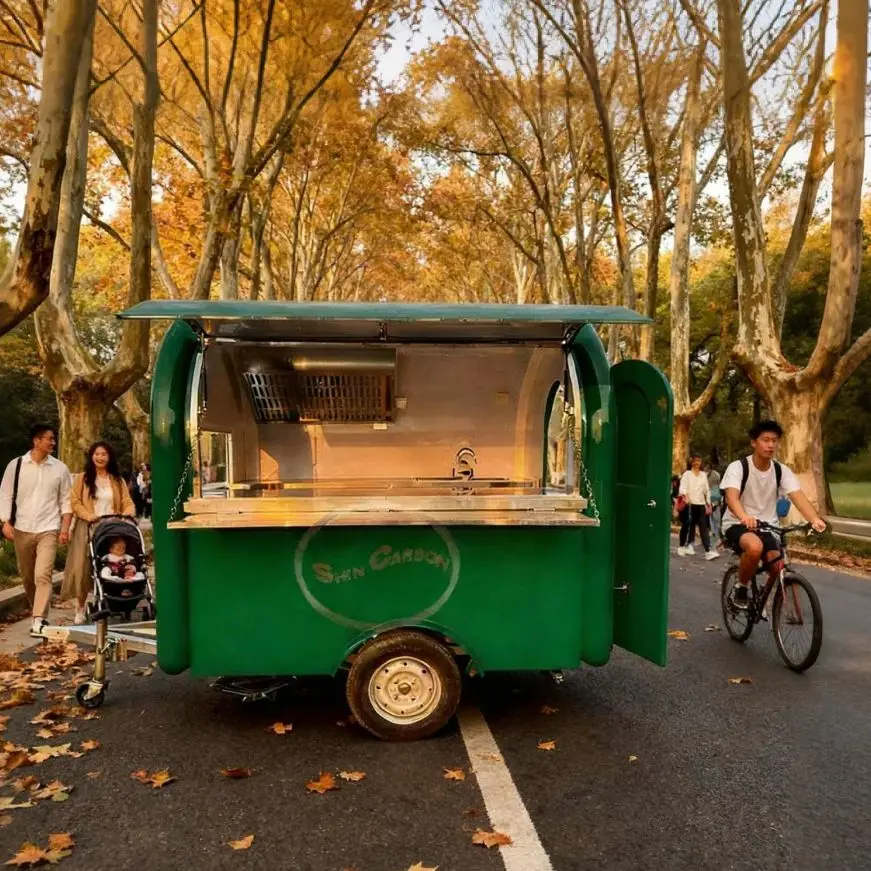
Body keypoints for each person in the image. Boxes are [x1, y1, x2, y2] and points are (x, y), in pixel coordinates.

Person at [721, 420, 826, 608]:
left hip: (768, 525)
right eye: (766, 440)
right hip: (737, 523)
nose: (771, 445)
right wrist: (745, 516)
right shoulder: (738, 468)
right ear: (754, 442)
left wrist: (814, 519)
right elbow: (732, 498)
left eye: (775, 441)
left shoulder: (780, 470)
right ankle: (741, 587)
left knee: (778, 566)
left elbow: (798, 497)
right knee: (754, 547)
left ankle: (764, 601)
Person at [0, 424, 73, 637]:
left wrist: (65, 528)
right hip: (22, 528)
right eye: (49, 439)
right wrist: (5, 522)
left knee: (43, 575)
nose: (53, 442)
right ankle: (37, 611)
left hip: (48, 528)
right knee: (27, 577)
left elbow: (66, 501)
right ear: (36, 441)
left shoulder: (60, 468)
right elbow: (5, 495)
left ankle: (38, 618)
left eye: (53, 439)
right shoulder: (16, 466)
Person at [63, 441, 135, 624]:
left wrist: (127, 512)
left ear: (109, 457)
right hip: (88, 525)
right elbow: (75, 501)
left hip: (111, 526)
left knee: (113, 562)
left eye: (104, 454)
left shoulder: (117, 480)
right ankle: (80, 607)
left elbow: (127, 501)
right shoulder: (82, 478)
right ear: (91, 456)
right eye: (97, 454)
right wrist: (88, 515)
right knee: (82, 566)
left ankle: (113, 598)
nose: (100, 457)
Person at [678, 455, 719, 560]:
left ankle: (708, 551)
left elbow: (706, 490)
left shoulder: (703, 475)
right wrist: (684, 495)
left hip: (700, 505)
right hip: (689, 504)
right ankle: (682, 546)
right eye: (695, 460)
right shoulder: (687, 474)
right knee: (687, 526)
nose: (697, 463)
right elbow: (682, 487)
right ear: (691, 462)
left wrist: (708, 502)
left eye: (699, 461)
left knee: (703, 528)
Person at [707, 463, 723, 541]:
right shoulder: (705, 475)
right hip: (709, 499)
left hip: (715, 499)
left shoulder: (716, 475)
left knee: (716, 518)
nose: (706, 470)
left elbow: (718, 488)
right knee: (711, 517)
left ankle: (716, 534)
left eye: (707, 469)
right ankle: (714, 533)